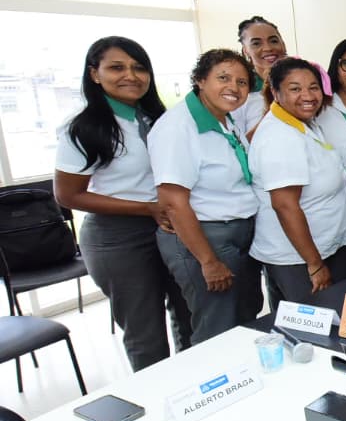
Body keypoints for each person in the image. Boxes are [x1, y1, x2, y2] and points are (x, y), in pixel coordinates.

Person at [53, 37, 192, 370]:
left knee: (189, 316)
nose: (131, 75)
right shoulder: (84, 127)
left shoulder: (157, 118)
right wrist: (146, 209)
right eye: (117, 67)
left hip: (170, 225)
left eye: (139, 68)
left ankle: (193, 389)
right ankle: (155, 396)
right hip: (118, 236)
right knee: (146, 335)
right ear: (95, 74)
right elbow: (68, 195)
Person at [150, 49, 262, 343]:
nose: (233, 87)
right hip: (205, 238)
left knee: (245, 316)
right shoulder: (177, 127)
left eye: (241, 82)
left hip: (237, 233)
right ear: (200, 80)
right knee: (218, 328)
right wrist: (209, 262)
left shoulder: (225, 120)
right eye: (223, 78)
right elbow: (173, 201)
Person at [248, 58, 346, 307]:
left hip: (316, 250)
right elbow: (285, 205)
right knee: (313, 323)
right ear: (276, 92)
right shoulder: (280, 136)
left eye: (313, 87)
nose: (307, 96)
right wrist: (315, 264)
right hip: (297, 259)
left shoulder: (301, 124)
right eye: (295, 89)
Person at [232, 15, 287, 135]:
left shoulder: (306, 81)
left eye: (273, 41)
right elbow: (238, 143)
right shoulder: (240, 93)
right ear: (245, 50)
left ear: (283, 44)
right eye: (256, 44)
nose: (268, 48)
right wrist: (271, 111)